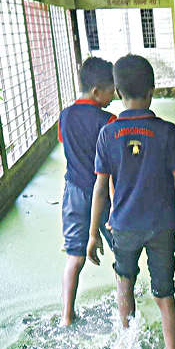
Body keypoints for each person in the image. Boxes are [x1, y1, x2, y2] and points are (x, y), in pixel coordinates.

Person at [86, 54, 175, 349]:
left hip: (123, 226)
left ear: (118, 93)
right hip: (162, 226)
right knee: (165, 295)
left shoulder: (107, 134)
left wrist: (93, 234)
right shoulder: (168, 132)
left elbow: (100, 189)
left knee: (124, 284)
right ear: (151, 91)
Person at [59, 56, 118, 327]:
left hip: (74, 192)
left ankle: (66, 315)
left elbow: (67, 145)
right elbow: (114, 164)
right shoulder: (109, 121)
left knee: (75, 256)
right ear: (96, 91)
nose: (114, 96)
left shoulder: (65, 117)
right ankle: (124, 307)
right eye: (111, 91)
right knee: (120, 254)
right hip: (104, 194)